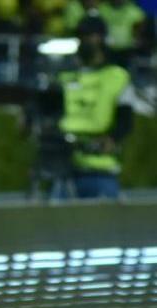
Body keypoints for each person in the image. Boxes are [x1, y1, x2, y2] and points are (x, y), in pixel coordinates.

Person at [56, 16, 132, 199]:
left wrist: (112, 139)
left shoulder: (117, 76)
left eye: (89, 35)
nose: (85, 41)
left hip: (101, 169)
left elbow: (126, 119)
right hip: (64, 168)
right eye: (81, 36)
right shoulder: (65, 77)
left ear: (101, 38)